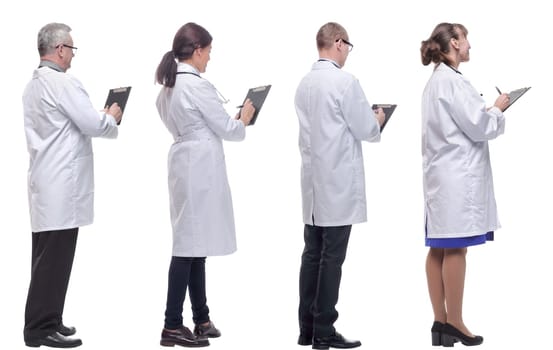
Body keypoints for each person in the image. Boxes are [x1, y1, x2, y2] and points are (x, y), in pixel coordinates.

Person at [155, 22, 255, 348]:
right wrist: (245, 117)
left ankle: (201, 319)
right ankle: (172, 324)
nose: (209, 58)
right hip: (198, 168)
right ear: (197, 50)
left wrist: (230, 120)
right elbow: (229, 129)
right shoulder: (196, 86)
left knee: (195, 247)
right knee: (186, 248)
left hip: (185, 164)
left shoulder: (168, 88)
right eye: (208, 52)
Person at [22, 23, 122, 348]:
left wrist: (99, 117)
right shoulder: (61, 83)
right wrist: (111, 115)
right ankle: (38, 329)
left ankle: (49, 319)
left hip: (46, 183)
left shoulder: (34, 86)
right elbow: (92, 124)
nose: (72, 57)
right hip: (61, 186)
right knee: (53, 261)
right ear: (61, 49)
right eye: (72, 50)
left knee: (48, 259)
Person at [294, 22, 385, 349]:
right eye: (347, 44)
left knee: (312, 255)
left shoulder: (304, 84)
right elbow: (365, 128)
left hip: (314, 187)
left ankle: (306, 328)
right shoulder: (345, 82)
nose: (347, 51)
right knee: (331, 259)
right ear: (337, 42)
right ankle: (325, 331)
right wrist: (378, 121)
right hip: (338, 185)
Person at [420, 23, 510, 347]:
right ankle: (456, 322)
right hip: (457, 178)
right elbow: (479, 126)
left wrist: (485, 113)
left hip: (440, 178)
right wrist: (498, 110)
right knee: (456, 247)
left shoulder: (435, 83)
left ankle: (440, 323)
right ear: (454, 43)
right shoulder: (452, 82)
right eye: (466, 38)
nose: (470, 44)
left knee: (438, 248)